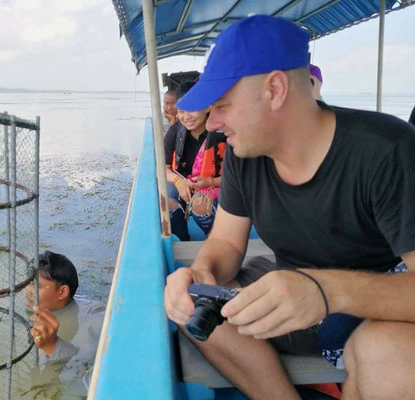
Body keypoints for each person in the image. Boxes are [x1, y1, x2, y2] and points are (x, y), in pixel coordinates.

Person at [164, 15, 415, 400]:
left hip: (375, 303)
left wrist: (323, 290)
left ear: (275, 89)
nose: (213, 123)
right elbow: (228, 246)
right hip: (287, 293)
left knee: (390, 355)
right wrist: (200, 274)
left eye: (223, 106)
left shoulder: (386, 149)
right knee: (196, 308)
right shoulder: (242, 154)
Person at [26, 251, 105, 398]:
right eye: (29, 283)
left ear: (62, 292)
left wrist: (52, 346)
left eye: (37, 286)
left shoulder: (95, 316)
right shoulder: (30, 313)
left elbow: (85, 367)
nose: (28, 291)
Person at [164, 82, 226, 241]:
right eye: (182, 110)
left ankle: (214, 238)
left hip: (216, 184)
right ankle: (182, 238)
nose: (187, 116)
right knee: (167, 206)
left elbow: (239, 176)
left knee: (200, 206)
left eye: (193, 109)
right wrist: (179, 181)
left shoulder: (223, 133)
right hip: (184, 182)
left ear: (207, 107)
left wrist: (210, 182)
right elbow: (162, 169)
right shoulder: (175, 131)